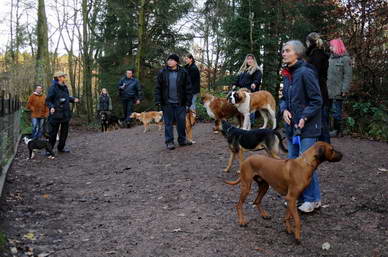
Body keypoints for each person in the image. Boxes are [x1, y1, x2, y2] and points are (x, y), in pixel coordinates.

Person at [279, 40, 323, 213]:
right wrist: (283, 110)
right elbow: (283, 99)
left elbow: (317, 100)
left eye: (287, 50)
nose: (283, 53)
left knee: (305, 165)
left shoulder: (306, 72)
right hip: (292, 128)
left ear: (297, 53)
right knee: (293, 163)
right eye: (283, 51)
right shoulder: (287, 73)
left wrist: (305, 116)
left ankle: (311, 200)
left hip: (308, 128)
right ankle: (301, 197)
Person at [154, 54, 193, 150]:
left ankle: (182, 140)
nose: (169, 61)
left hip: (180, 103)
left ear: (176, 62)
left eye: (171, 60)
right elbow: (158, 88)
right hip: (167, 103)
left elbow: (188, 88)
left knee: (181, 123)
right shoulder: (162, 72)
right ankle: (169, 142)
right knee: (168, 123)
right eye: (168, 60)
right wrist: (158, 100)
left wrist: (188, 102)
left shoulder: (183, 72)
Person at [305, 32, 330, 143]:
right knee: (321, 119)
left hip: (318, 90)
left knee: (322, 120)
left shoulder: (316, 55)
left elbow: (314, 75)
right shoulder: (318, 53)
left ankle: (326, 145)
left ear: (309, 42)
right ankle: (322, 144)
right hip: (321, 89)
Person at [46, 72, 79, 153]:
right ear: (59, 78)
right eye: (63, 76)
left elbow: (66, 97)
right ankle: (49, 149)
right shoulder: (53, 88)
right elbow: (48, 100)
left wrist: (73, 99)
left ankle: (61, 148)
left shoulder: (64, 87)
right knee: (53, 133)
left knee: (64, 133)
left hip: (65, 114)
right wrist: (51, 107)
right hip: (55, 114)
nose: (65, 77)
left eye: (64, 76)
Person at [327, 38, 352, 137]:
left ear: (337, 46)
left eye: (332, 46)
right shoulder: (330, 58)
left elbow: (348, 75)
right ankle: (329, 129)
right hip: (328, 90)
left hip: (338, 91)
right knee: (328, 110)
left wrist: (345, 89)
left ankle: (337, 131)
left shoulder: (346, 59)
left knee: (337, 111)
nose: (330, 48)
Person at [232, 54, 262, 124]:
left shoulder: (257, 70)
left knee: (250, 108)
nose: (249, 60)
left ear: (254, 60)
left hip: (251, 91)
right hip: (242, 92)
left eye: (251, 59)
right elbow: (237, 79)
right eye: (248, 59)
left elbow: (257, 79)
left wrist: (254, 83)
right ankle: (242, 123)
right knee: (241, 107)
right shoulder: (242, 70)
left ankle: (250, 123)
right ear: (246, 60)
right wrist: (234, 84)